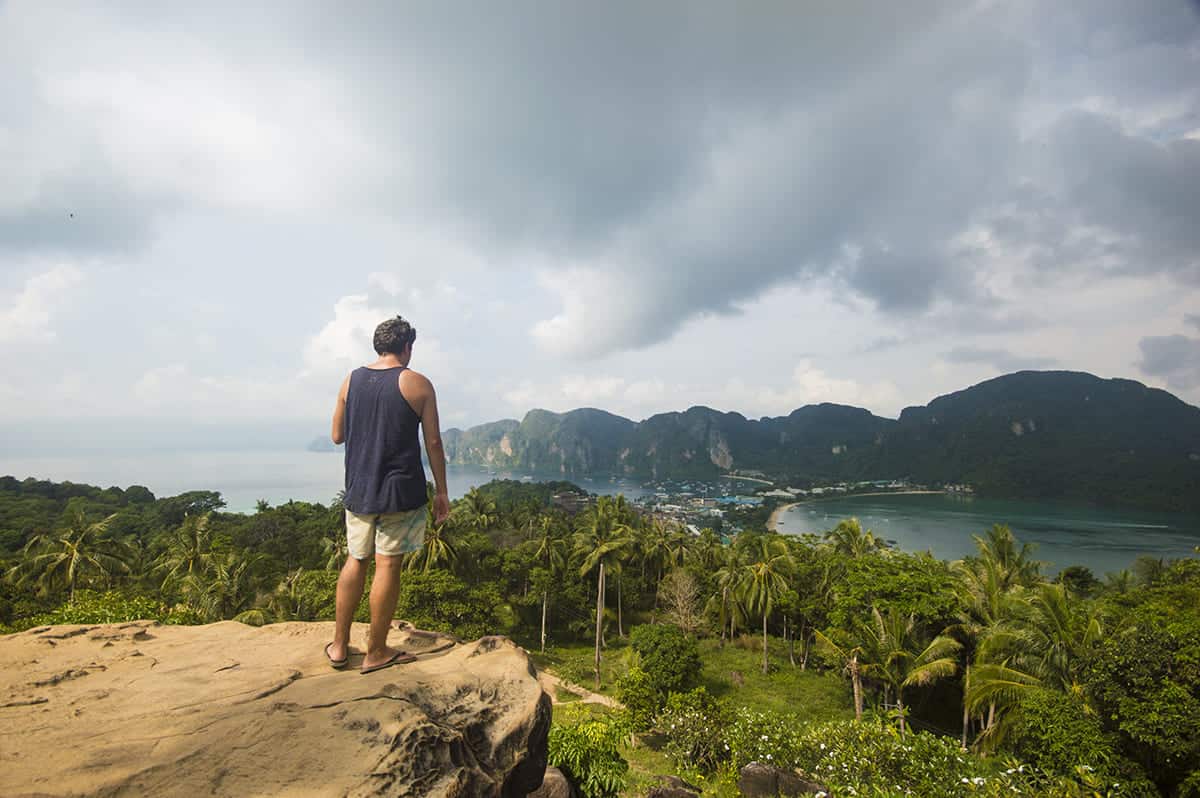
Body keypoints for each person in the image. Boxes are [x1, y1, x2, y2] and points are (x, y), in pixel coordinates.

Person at [324, 315, 451, 673]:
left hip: (359, 488)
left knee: (355, 560)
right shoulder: (418, 384)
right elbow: (435, 443)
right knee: (388, 564)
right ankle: (376, 651)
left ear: (378, 345)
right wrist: (442, 491)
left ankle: (338, 645)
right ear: (407, 347)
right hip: (399, 491)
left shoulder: (351, 379)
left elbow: (337, 435)